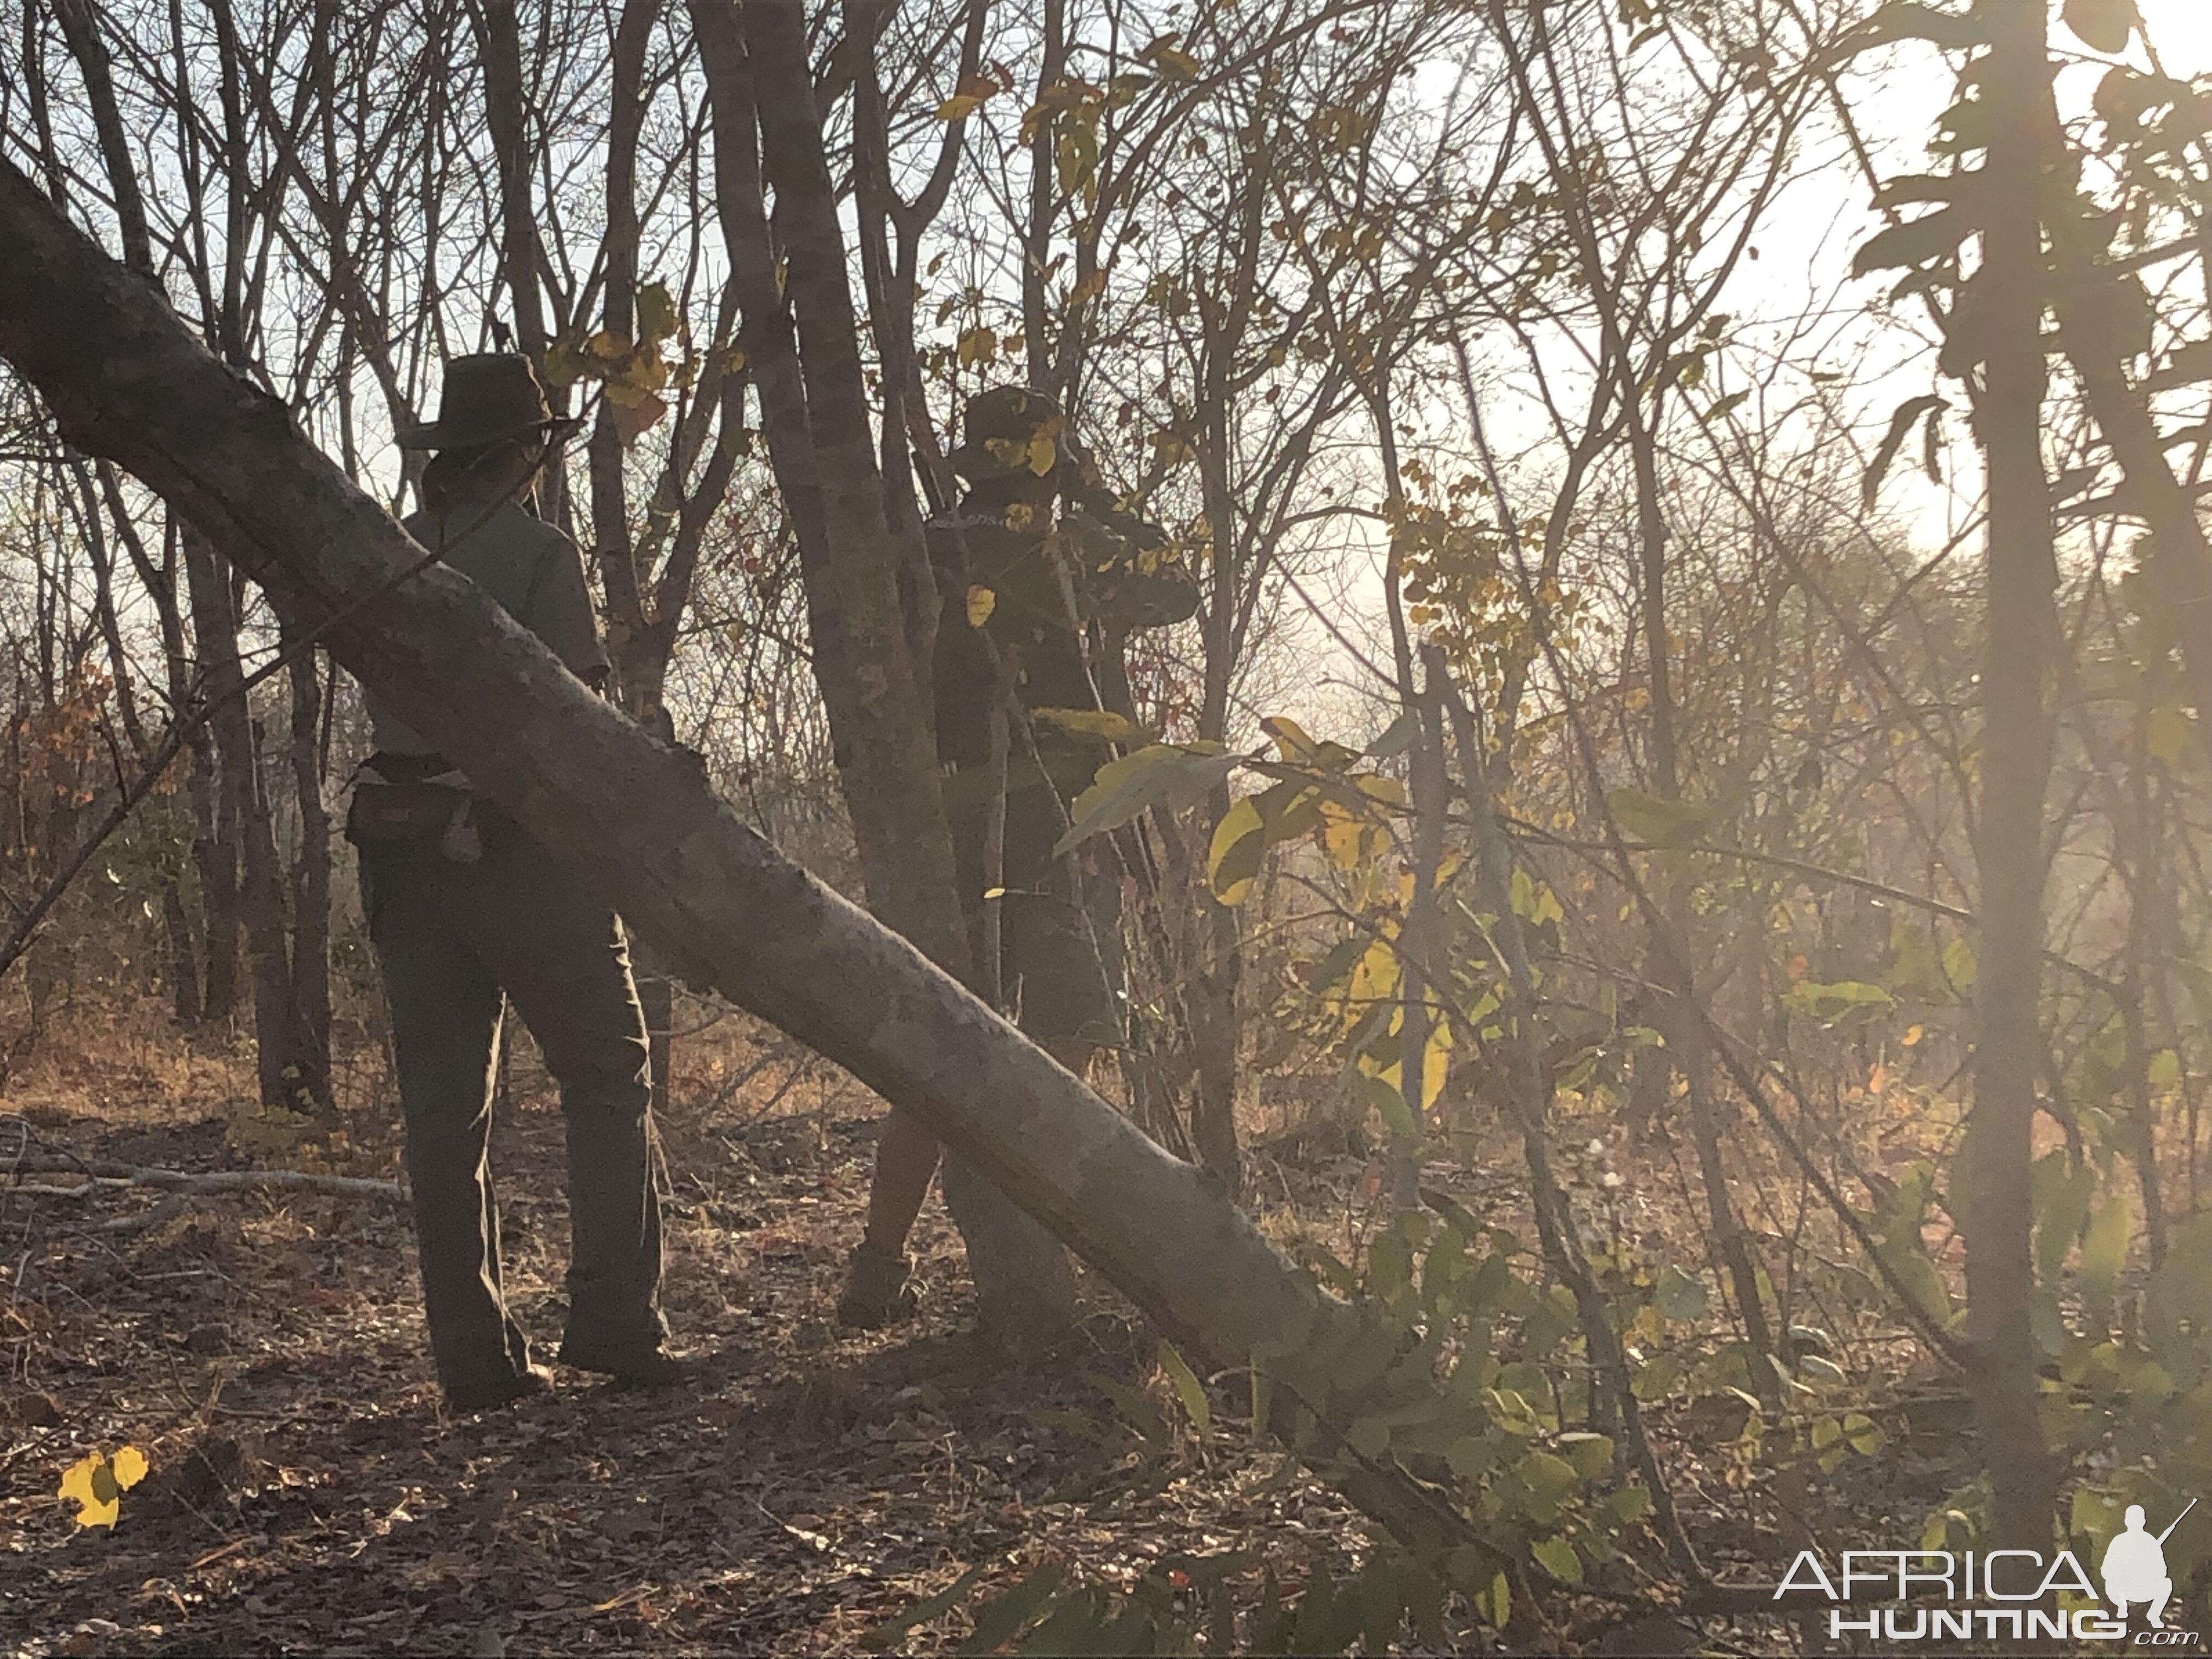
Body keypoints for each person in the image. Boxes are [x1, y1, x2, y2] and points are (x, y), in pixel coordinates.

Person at [348, 353, 679, 1410]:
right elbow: (570, 703)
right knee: (610, 1071)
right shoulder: (540, 551)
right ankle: (616, 1324)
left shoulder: (391, 552)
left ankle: (474, 1360)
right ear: (530, 451)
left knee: (444, 1119)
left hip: (401, 844)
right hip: (521, 843)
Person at [836, 387, 1197, 1328]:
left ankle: (880, 1261)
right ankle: (1032, 1235)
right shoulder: (1062, 550)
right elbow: (1177, 585)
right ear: (1050, 464)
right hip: (1058, 825)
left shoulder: (925, 548)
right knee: (1068, 1030)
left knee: (942, 1045)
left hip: (952, 829)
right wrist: (1099, 496)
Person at [2101, 1504, 2175, 1629]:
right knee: (2109, 1583)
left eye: (2137, 1520)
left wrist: (2146, 1569)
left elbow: (2163, 1571)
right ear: (2126, 1522)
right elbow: (2105, 1570)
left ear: (2143, 1522)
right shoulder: (2118, 1541)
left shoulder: (2151, 1542)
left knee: (2166, 1584)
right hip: (2122, 1590)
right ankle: (2122, 1606)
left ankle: (2154, 1615)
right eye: (2132, 1520)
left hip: (2145, 1589)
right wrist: (2122, 1572)